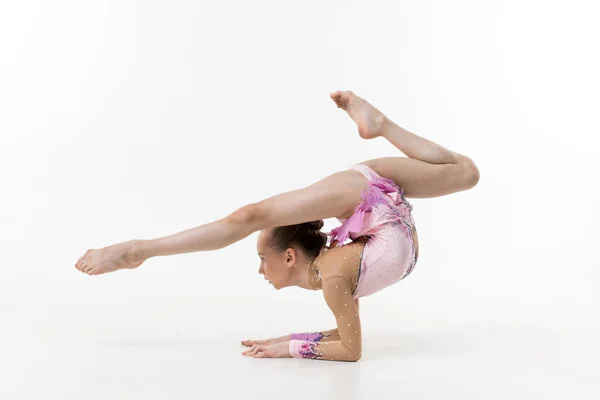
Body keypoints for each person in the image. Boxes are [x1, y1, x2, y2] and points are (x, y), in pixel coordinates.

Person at [74, 90, 480, 362]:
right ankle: (379, 124)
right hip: (383, 200)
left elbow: (351, 350)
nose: (259, 270)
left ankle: (135, 250)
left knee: (248, 218)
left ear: (289, 255)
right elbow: (346, 334)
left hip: (365, 193)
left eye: (262, 259)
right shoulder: (336, 271)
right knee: (466, 173)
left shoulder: (336, 271)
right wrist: (282, 341)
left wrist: (287, 348)